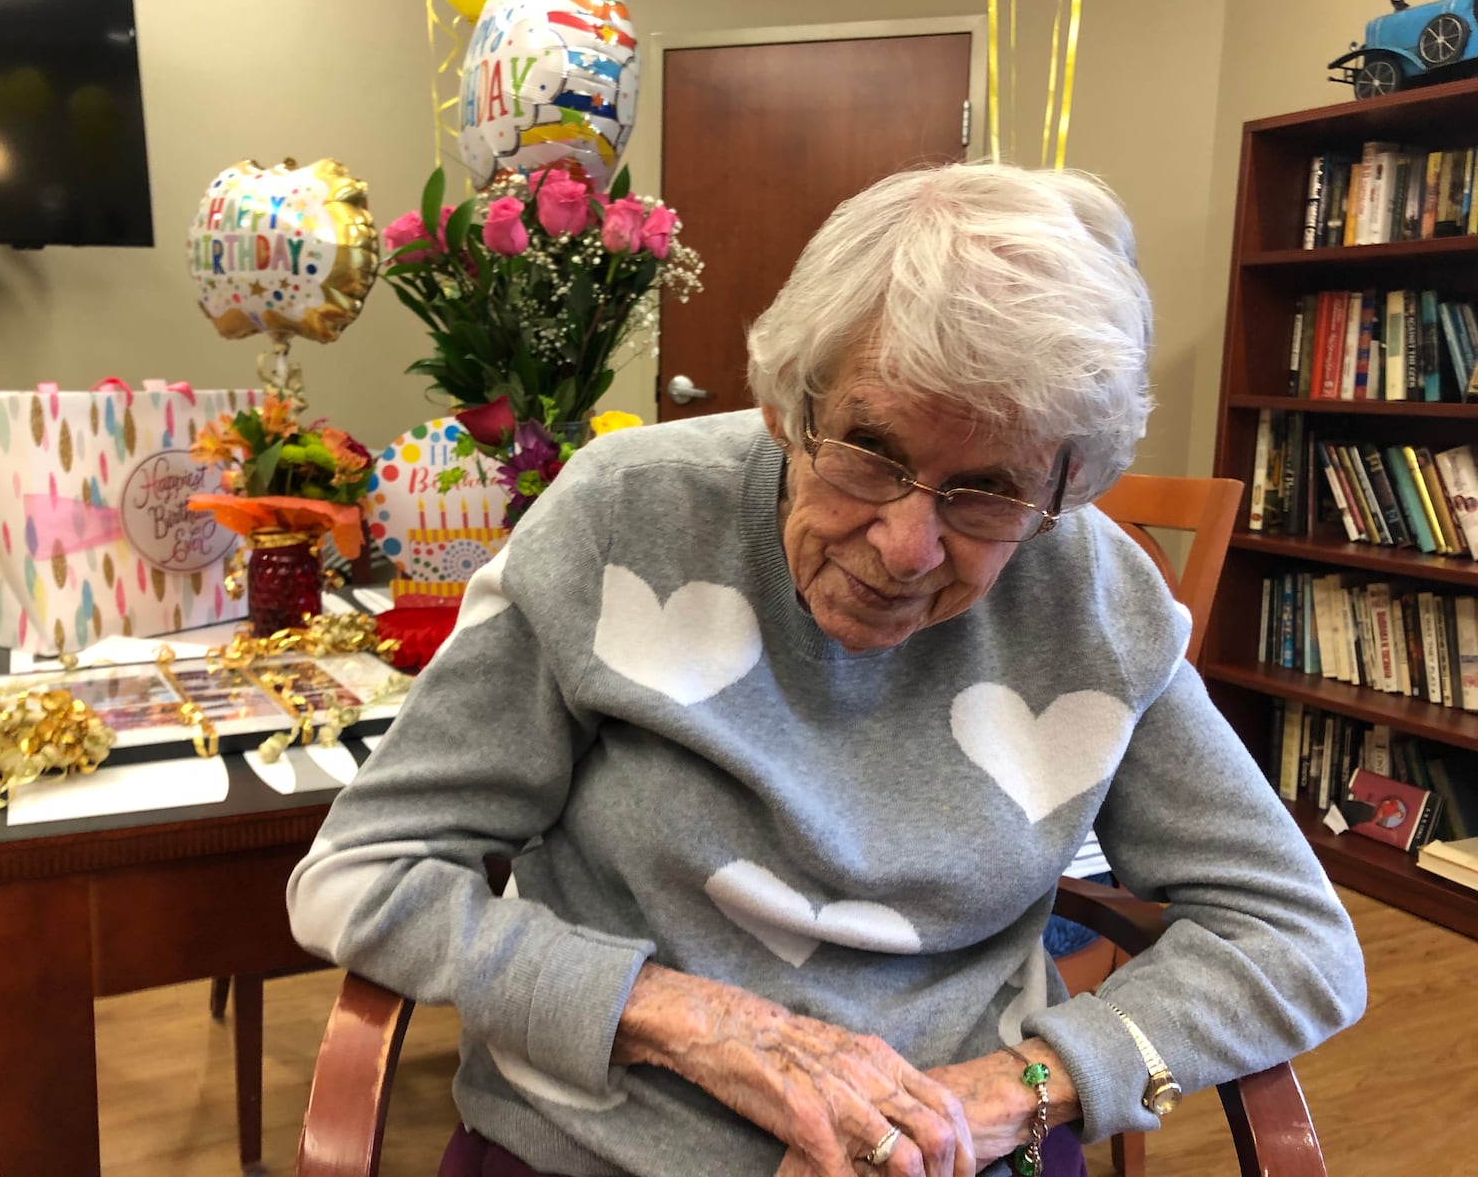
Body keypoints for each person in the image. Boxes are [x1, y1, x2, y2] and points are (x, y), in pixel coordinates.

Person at [288, 163, 1366, 1177]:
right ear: (784, 402)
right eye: (870, 451)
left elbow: (1297, 941)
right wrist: (684, 1019)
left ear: (1065, 482)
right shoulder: (626, 515)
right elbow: (364, 874)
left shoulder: (1094, 596)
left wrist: (1008, 1092)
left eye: (988, 489)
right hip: (596, 1149)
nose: (906, 545)